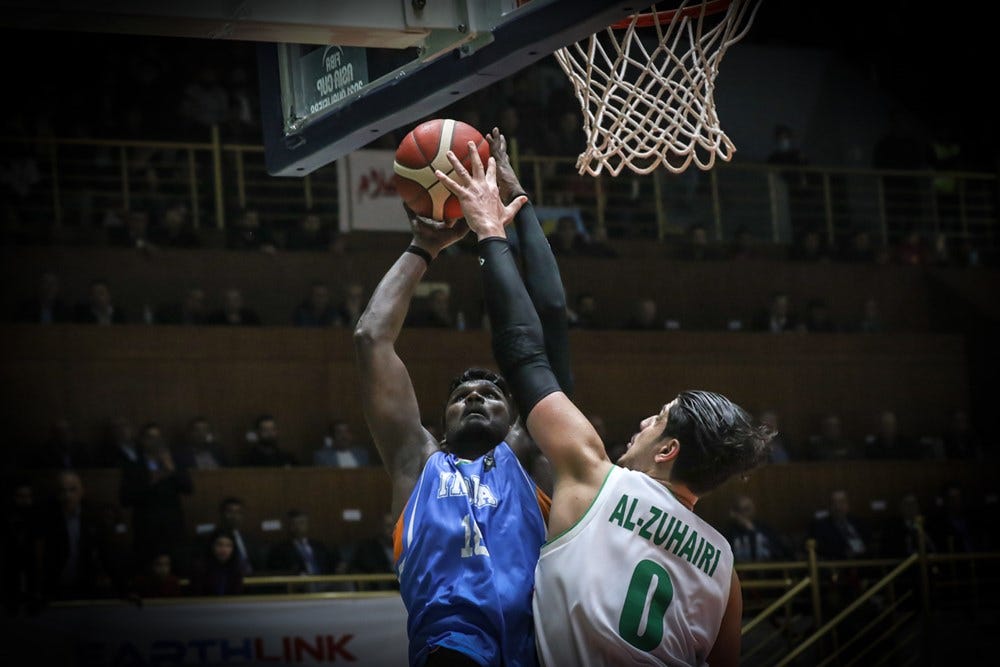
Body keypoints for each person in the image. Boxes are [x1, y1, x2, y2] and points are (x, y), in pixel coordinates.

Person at [436, 138, 773, 666]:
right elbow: (552, 321)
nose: (642, 421)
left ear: (668, 451)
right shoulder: (725, 567)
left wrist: (489, 229)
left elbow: (527, 351)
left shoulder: (595, 478)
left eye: (657, 420)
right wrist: (519, 205)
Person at [353, 127, 572, 667]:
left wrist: (516, 214)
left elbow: (548, 321)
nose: (475, 398)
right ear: (441, 421)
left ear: (518, 411)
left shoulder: (530, 455)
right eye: (461, 396)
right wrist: (421, 248)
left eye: (492, 393)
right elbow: (371, 338)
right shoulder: (416, 462)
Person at [187, 528, 244, 596]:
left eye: (228, 545)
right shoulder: (199, 568)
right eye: (219, 545)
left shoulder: (236, 568)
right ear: (212, 546)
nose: (224, 550)